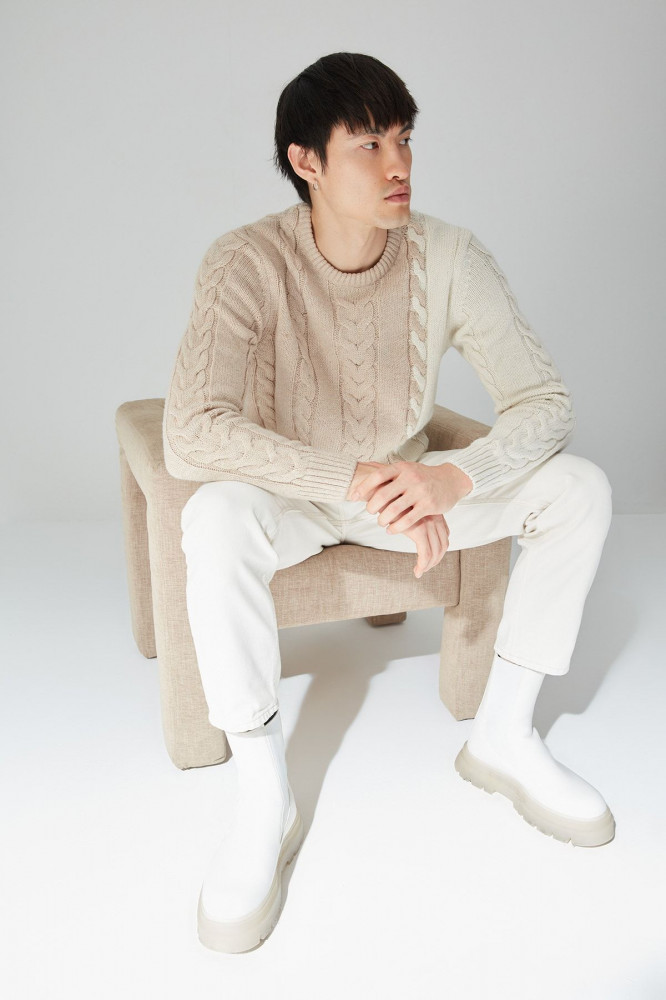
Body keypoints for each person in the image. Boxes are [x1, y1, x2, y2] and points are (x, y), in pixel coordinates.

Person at [163, 52, 615, 953]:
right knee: (211, 517)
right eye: (368, 144)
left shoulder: (449, 255)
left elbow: (546, 403)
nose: (398, 163)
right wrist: (347, 477)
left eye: (404, 139)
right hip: (292, 496)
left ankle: (503, 736)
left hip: (405, 493)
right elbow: (192, 429)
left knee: (581, 489)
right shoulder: (245, 260)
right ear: (307, 162)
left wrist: (451, 479)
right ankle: (263, 793)